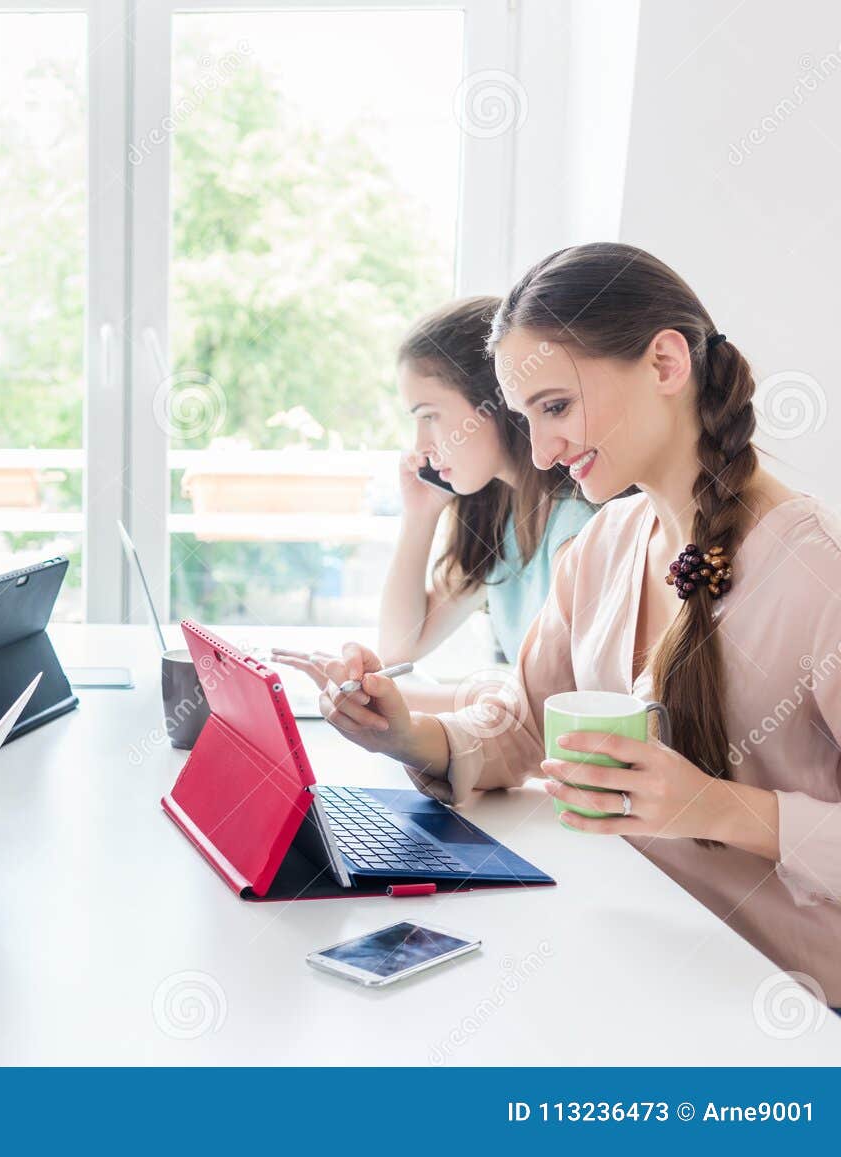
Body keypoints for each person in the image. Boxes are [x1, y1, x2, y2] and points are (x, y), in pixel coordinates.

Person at [291, 242, 841, 1006]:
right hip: (642, 948)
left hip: (785, 995)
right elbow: (527, 719)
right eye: (526, 418)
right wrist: (407, 734)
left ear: (664, 364)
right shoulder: (604, 547)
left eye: (555, 406)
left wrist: (717, 806)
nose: (543, 451)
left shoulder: (821, 576)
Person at [316, 297, 593, 712]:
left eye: (429, 416)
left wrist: (386, 694)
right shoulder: (500, 512)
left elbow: (544, 708)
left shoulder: (577, 525)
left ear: (498, 402)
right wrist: (421, 514)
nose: (420, 447)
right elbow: (400, 647)